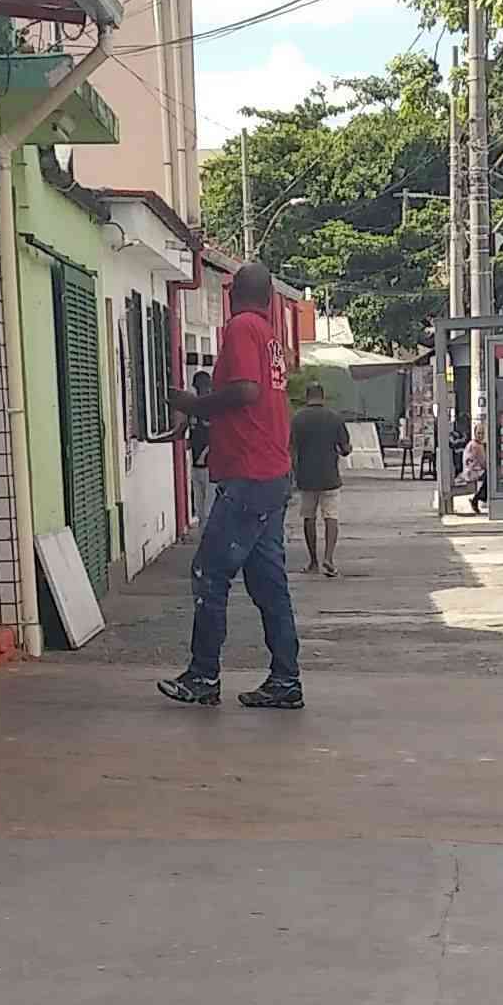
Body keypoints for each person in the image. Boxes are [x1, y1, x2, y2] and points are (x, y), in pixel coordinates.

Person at [159, 264, 302, 713]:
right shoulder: (270, 337)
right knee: (269, 584)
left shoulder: (241, 328)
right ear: (269, 299)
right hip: (271, 474)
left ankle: (203, 675)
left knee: (210, 573)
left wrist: (195, 405)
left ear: (233, 294)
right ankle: (285, 680)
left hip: (248, 475)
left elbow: (244, 392)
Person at [290, 375, 353, 578]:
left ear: (307, 397)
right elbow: (345, 448)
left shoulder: (298, 419)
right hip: (330, 476)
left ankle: (313, 561)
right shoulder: (335, 418)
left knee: (309, 517)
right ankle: (329, 558)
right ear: (323, 397)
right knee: (331, 516)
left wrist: (293, 472)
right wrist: (344, 450)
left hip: (306, 476)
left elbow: (291, 449)